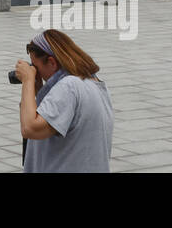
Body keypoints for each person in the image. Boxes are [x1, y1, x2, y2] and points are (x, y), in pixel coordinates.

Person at [14, 28, 112, 173]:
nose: (35, 72)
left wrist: (27, 81)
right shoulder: (96, 84)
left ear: (52, 63)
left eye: (36, 66)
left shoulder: (69, 86)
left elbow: (30, 128)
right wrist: (39, 92)